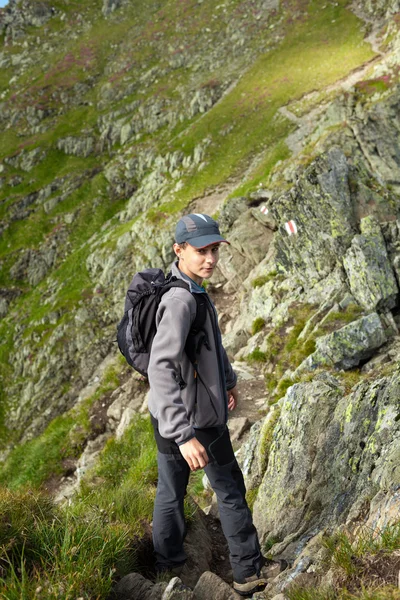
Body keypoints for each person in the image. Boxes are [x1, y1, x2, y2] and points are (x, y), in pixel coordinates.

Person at [147, 213, 286, 596]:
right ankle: (248, 573)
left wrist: (227, 382)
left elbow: (211, 346)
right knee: (229, 490)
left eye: (213, 250)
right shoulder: (179, 300)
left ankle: (168, 568)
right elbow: (160, 367)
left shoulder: (191, 287)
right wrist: (184, 435)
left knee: (171, 491)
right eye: (200, 250)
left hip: (167, 413)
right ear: (179, 250)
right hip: (195, 422)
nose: (209, 258)